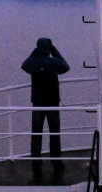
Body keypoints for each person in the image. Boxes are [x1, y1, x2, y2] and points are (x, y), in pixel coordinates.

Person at [21, 37, 70, 174]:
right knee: (54, 134)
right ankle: (56, 163)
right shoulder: (54, 63)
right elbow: (65, 66)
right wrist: (55, 51)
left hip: (37, 103)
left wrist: (35, 52)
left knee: (36, 135)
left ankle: (36, 164)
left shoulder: (33, 62)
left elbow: (24, 65)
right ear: (49, 48)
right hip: (52, 103)